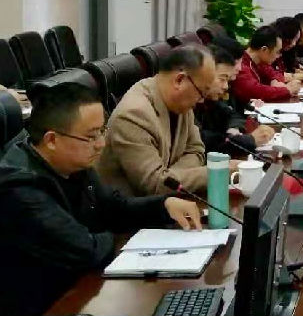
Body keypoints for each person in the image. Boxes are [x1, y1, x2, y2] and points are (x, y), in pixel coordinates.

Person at [0, 83, 202, 316]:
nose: (101, 144)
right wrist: (125, 239)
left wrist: (164, 205)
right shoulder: (20, 189)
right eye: (90, 136)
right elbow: (86, 250)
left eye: (101, 131)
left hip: (77, 290)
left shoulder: (73, 163)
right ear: (52, 140)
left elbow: (114, 208)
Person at [97, 45, 234, 196]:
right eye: (201, 92)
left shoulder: (180, 101)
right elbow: (154, 185)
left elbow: (196, 150)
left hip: (168, 201)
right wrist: (220, 172)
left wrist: (169, 176)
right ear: (179, 80)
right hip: (132, 207)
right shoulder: (133, 114)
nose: (201, 100)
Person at [195, 42, 275, 156]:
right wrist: (250, 140)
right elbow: (203, 141)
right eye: (222, 79)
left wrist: (234, 128)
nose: (226, 86)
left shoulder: (211, 100)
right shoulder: (188, 105)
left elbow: (231, 114)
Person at [231, 25, 302, 104]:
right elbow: (255, 91)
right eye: (277, 52)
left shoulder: (260, 62)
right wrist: (287, 90)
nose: (279, 56)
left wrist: (274, 80)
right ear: (264, 49)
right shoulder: (241, 64)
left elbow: (276, 74)